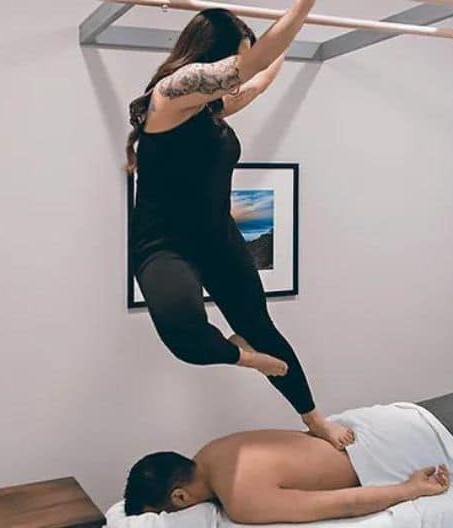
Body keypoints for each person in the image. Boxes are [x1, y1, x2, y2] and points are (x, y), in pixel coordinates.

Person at [124, 0, 354, 450]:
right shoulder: (170, 95)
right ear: (215, 55)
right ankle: (240, 355)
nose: (242, 72)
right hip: (164, 246)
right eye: (238, 56)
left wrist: (291, 34)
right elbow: (252, 65)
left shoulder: (209, 109)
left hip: (217, 239)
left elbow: (261, 77)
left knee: (264, 328)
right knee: (185, 333)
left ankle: (314, 419)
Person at [122, 427, 449, 525]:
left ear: (180, 497)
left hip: (393, 452)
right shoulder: (212, 449)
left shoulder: (241, 500)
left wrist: (409, 489)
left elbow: (343, 504)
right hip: (372, 426)